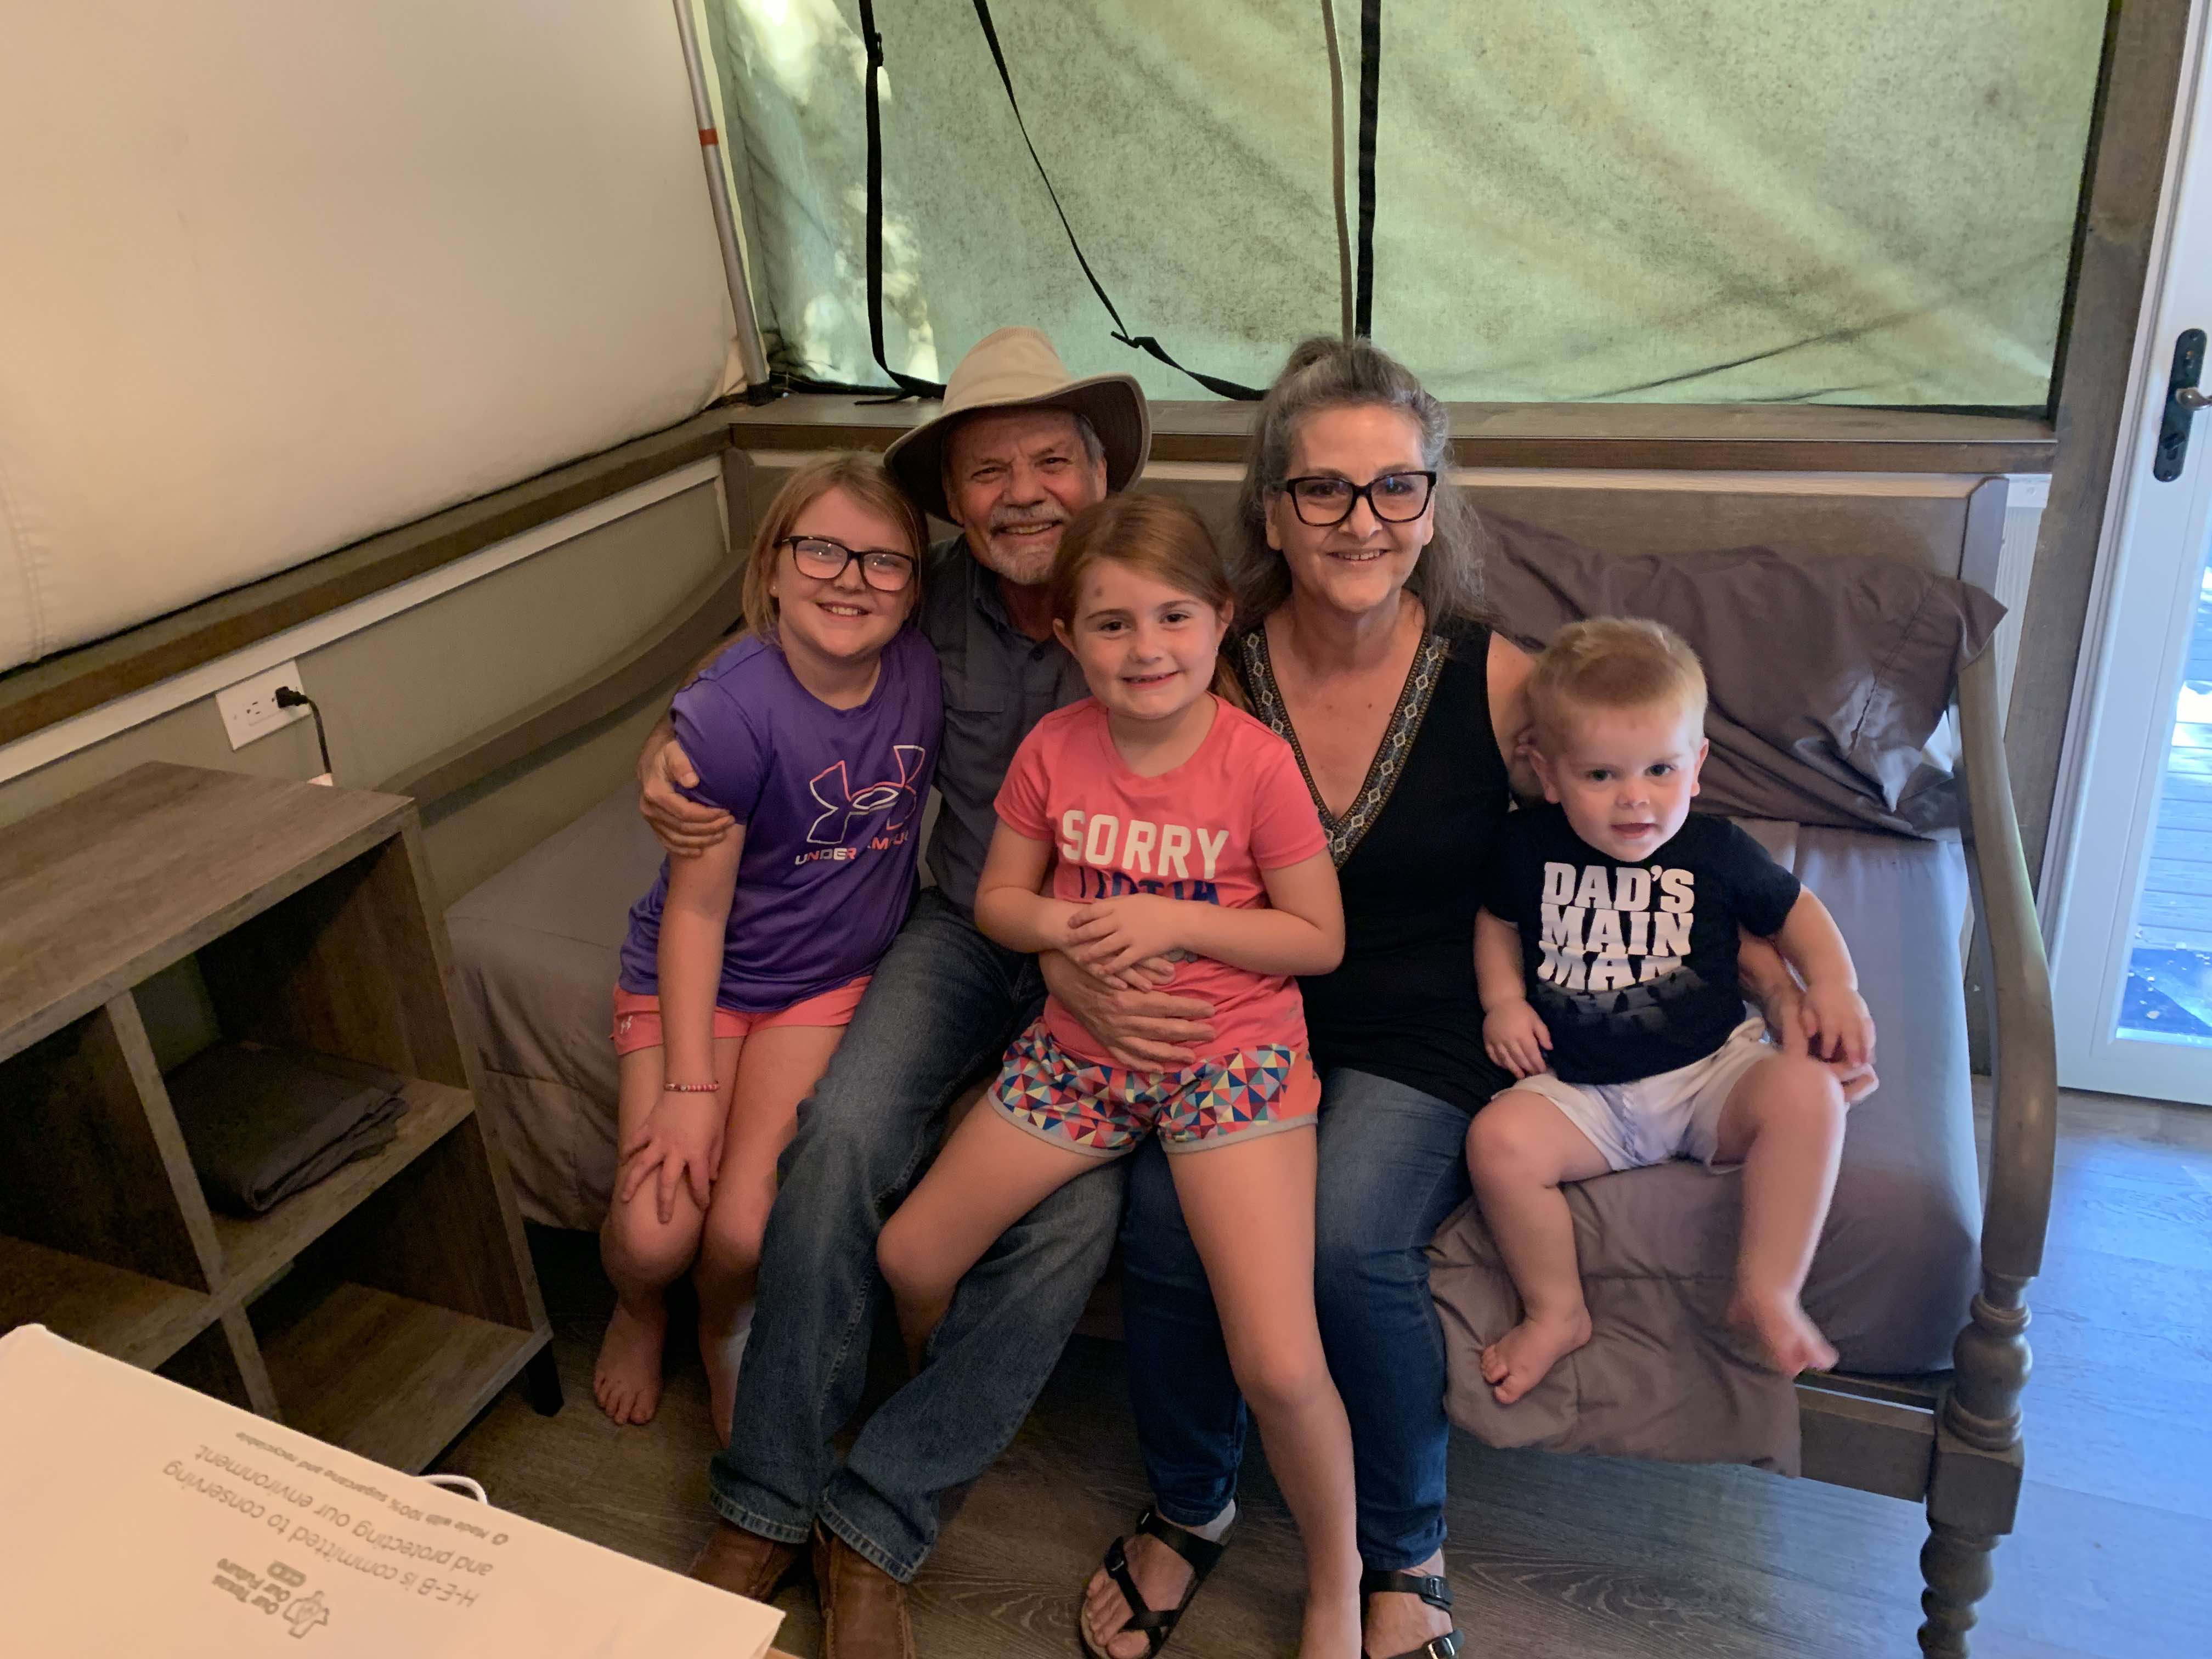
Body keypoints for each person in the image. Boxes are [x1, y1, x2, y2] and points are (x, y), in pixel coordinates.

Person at [1066, 338, 1873, 1659]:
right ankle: (1194, 1500)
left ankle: (1406, 1547)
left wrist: (1785, 979)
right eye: (1323, 489)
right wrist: (1071, 971)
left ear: (1433, 506)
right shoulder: (1205, 662)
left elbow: (1638, 842)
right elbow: (1103, 829)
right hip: (1242, 1014)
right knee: (1160, 1222)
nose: (1361, 521)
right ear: (1271, 510)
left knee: (1348, 1238)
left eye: (1396, 487)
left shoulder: (1500, 682)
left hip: (1429, 1028)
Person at [644, 328, 1152, 1657]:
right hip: (962, 926)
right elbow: (795, 638)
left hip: (1102, 959)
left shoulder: (1155, 596)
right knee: (844, 1131)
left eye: (1052, 461)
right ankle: (767, 1496)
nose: (1024, 493)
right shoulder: (925, 598)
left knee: (1071, 1219)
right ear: (954, 503)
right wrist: (672, 742)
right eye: (988, 471)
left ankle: (874, 1523)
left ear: (1102, 475)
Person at [876, 494, 1361, 1658]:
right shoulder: (1055, 750)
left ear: (1221, 619)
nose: (1146, 649)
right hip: (1081, 1060)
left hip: (1228, 1063)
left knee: (1276, 1358)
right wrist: (1066, 925)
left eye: (1173, 617)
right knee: (910, 1255)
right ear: (1067, 635)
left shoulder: (1255, 762)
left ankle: (1341, 1576)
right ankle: (934, 1440)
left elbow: (1318, 938)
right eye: (1111, 624)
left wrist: (1168, 920)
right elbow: (999, 901)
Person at [594, 455, 940, 1444]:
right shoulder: (731, 713)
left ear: (914, 587)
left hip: (822, 985)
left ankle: (722, 1325)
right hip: (701, 979)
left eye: (883, 561)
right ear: (773, 569)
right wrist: (689, 1089)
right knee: (654, 1233)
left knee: (745, 1232)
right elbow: (697, 916)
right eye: (822, 551)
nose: (852, 580)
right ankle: (639, 1307)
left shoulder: (922, 669)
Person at [1471, 617, 1873, 1401]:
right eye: (1600, 775)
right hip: (1583, 1092)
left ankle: (1769, 1288)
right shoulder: (1525, 846)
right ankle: (1556, 1311)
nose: (1635, 799)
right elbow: (1498, 920)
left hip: (1709, 1072)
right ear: (1548, 774)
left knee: (1809, 1095)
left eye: (1661, 769)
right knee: (1497, 1145)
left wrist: (1834, 985)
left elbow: (1798, 913)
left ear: (1696, 768)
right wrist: (1504, 1001)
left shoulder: (1716, 849)